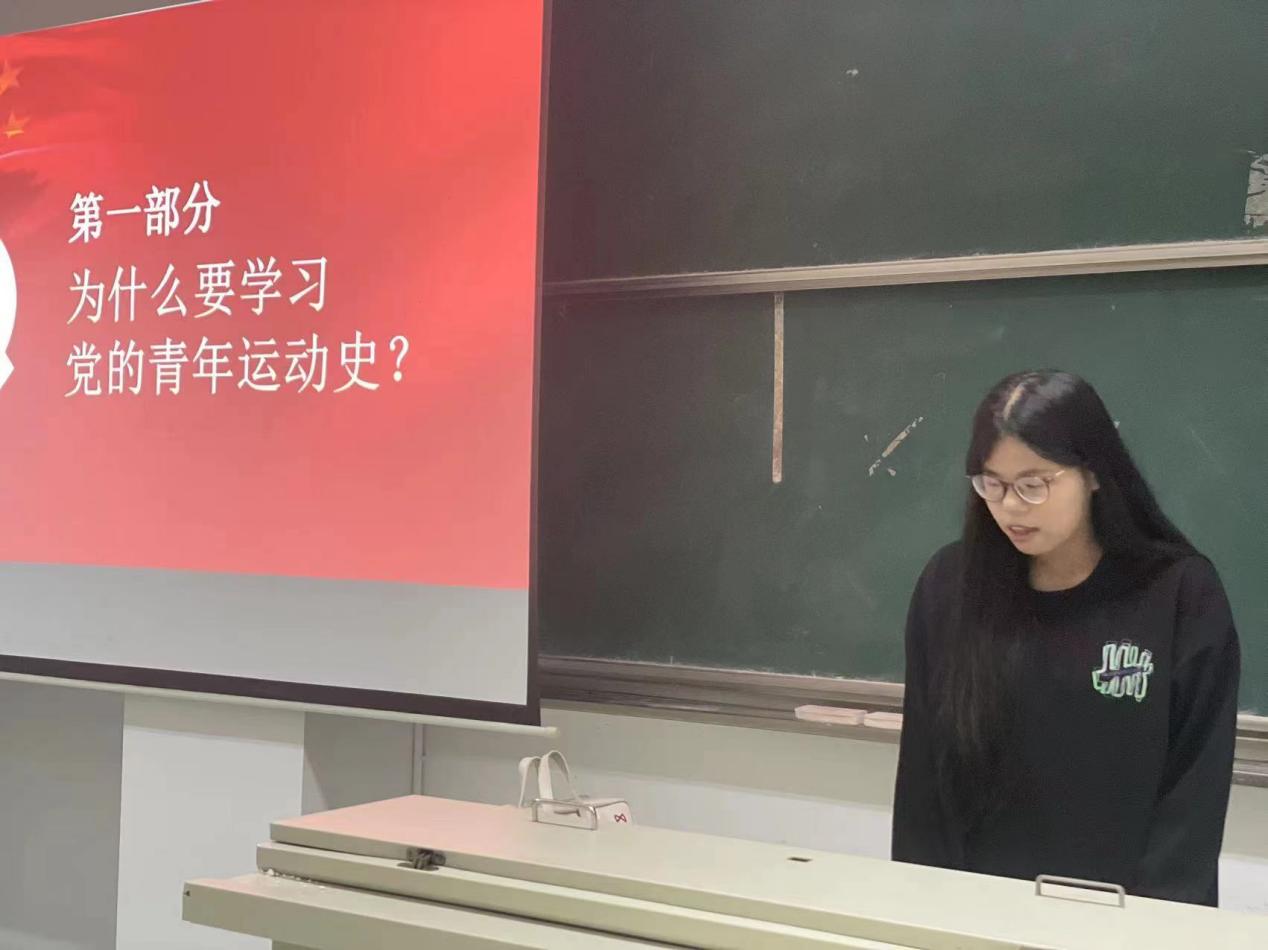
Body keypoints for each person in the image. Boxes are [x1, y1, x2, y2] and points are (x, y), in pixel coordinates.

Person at [892, 370, 1240, 906]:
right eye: (991, 484)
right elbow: (924, 782)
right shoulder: (950, 587)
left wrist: (1153, 925)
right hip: (978, 912)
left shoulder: (1179, 594)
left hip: (1124, 918)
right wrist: (923, 909)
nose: (1010, 506)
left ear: (1093, 472)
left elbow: (1194, 792)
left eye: (1033, 485)